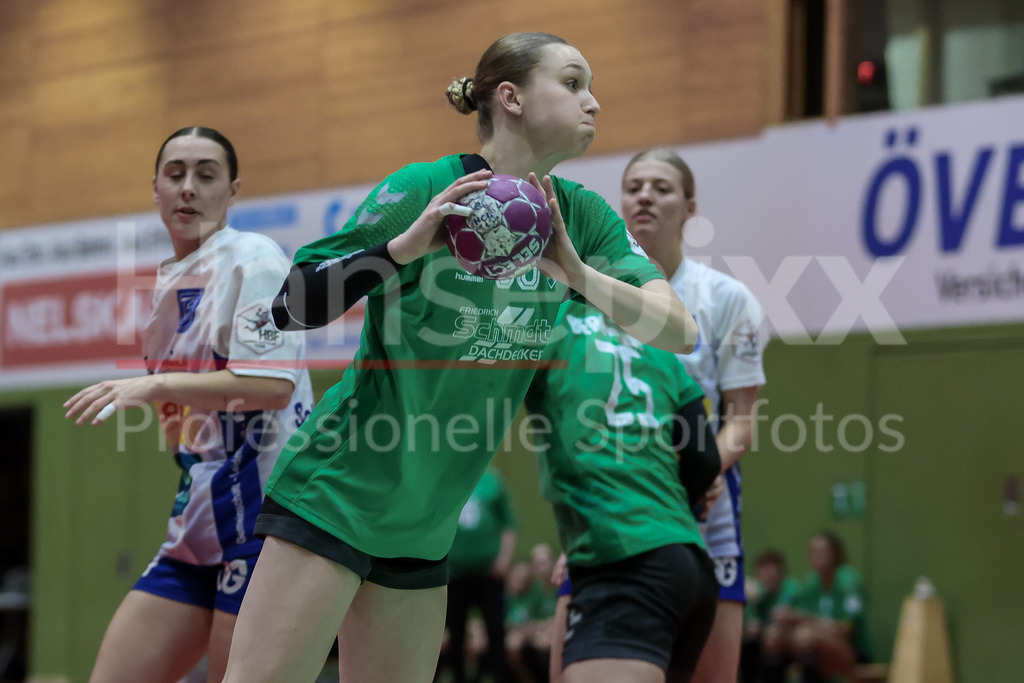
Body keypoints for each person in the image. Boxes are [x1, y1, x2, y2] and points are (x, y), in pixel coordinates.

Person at [222, 32, 699, 682]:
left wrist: (578, 273)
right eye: (572, 82)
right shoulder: (428, 187)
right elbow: (291, 306)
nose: (594, 102)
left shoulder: (582, 219)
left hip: (427, 527)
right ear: (511, 97)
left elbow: (679, 331)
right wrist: (398, 254)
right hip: (336, 492)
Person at [63, 126, 314, 683]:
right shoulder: (169, 281)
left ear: (233, 190)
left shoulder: (254, 258)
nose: (188, 188)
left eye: (206, 174)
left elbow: (270, 384)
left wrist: (154, 387)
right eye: (175, 174)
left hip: (263, 528)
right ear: (154, 188)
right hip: (197, 525)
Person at [622, 148, 767, 683]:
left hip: (704, 510)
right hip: (616, 505)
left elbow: (742, 422)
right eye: (634, 186)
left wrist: (703, 471)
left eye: (661, 187)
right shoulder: (600, 297)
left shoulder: (728, 299)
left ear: (690, 208)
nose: (644, 196)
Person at [525, 298, 723, 683]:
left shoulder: (543, 326)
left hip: (626, 566)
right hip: (687, 565)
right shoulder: (656, 345)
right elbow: (704, 459)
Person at [760, 532, 873, 683]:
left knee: (805, 635)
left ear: (835, 553)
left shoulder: (848, 581)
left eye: (821, 551)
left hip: (852, 650)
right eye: (812, 551)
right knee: (773, 634)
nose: (815, 555)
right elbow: (791, 611)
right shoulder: (810, 583)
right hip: (813, 643)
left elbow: (847, 629)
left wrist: (803, 619)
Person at [439, 467, 518, 683]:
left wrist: (504, 559)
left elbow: (508, 524)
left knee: (495, 632)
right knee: (455, 635)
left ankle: (499, 677)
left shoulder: (493, 481)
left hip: (488, 574)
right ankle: (459, 678)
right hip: (454, 575)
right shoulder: (447, 480)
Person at [740, 550, 799, 683]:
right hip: (759, 644)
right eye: (764, 572)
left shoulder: (791, 589)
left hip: (786, 643)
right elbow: (750, 623)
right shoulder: (756, 593)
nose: (769, 576)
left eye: (772, 572)